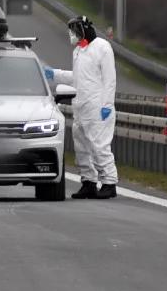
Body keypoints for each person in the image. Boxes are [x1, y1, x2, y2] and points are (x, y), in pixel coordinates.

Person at [45, 16, 118, 199]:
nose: (72, 35)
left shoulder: (102, 48)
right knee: (82, 147)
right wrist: (55, 75)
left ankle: (109, 183)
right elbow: (77, 76)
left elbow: (110, 80)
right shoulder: (79, 51)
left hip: (98, 107)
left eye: (74, 31)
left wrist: (107, 105)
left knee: (99, 146)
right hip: (81, 106)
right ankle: (88, 182)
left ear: (83, 30)